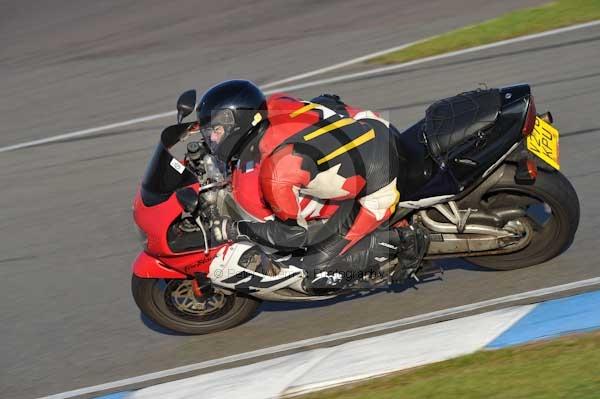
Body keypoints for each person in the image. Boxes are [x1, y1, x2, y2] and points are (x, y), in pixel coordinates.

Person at [196, 79, 429, 293]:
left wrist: (235, 230)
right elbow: (329, 101)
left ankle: (404, 240)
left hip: (382, 179)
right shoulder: (275, 103)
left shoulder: (277, 172)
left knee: (315, 274)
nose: (213, 139)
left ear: (240, 125)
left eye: (216, 132)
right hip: (372, 125)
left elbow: (293, 236)